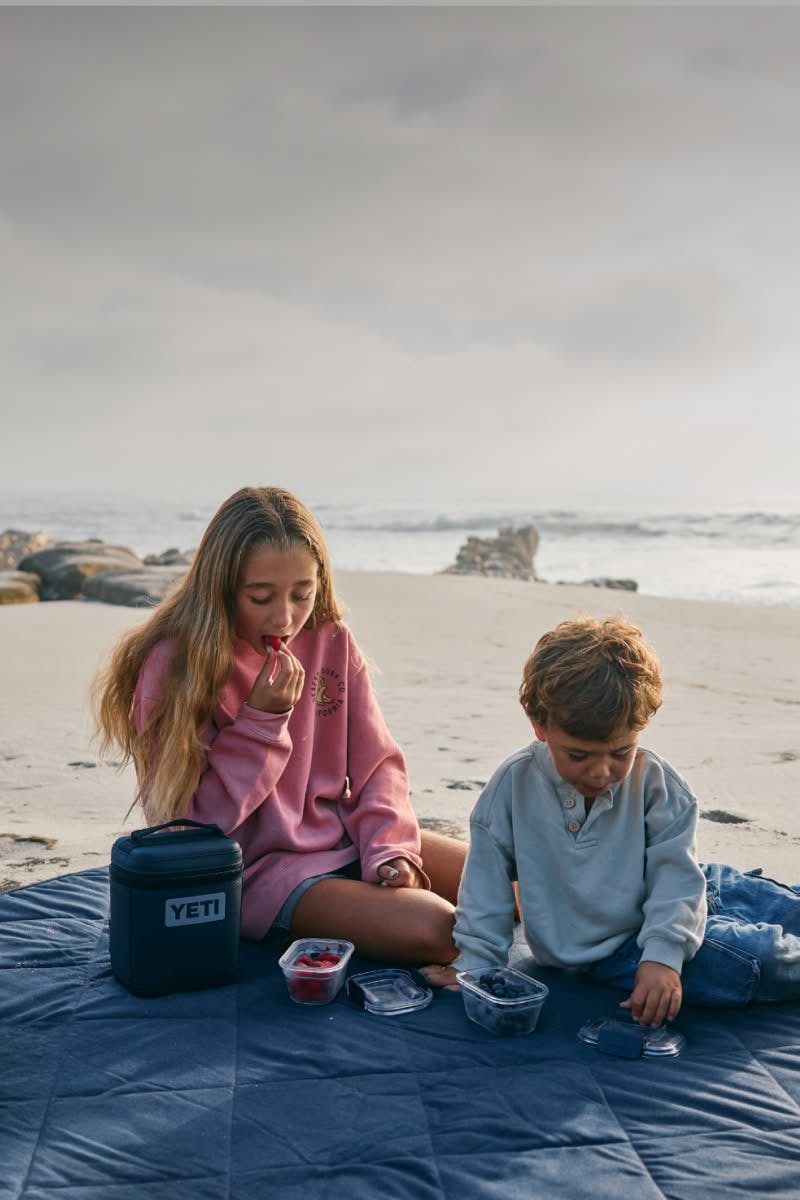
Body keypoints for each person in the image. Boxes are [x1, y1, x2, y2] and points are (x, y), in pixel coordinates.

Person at [94, 485, 465, 963]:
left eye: (302, 594)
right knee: (441, 931)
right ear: (222, 587)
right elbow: (187, 826)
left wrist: (388, 848)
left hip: (340, 833)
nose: (285, 617)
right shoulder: (176, 664)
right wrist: (261, 722)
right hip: (254, 869)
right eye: (261, 597)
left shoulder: (330, 639)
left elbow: (378, 766)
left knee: (514, 888)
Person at [422, 617, 800, 1024]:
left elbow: (677, 875)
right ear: (540, 725)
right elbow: (484, 885)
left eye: (620, 753)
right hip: (619, 950)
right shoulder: (511, 788)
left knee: (785, 906)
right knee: (758, 962)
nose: (601, 773)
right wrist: (476, 965)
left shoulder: (657, 783)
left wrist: (665, 952)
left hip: (694, 889)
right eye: (579, 756)